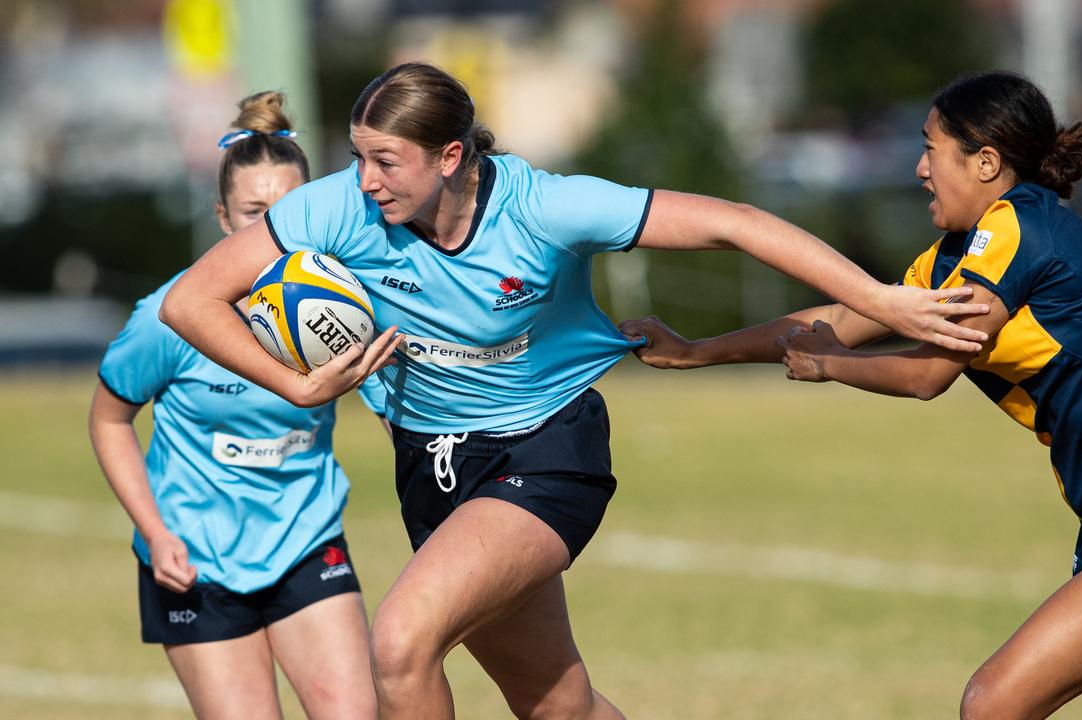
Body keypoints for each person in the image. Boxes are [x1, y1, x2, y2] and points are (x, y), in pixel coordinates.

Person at [157, 62, 989, 720]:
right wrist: (298, 385)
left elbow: (737, 220)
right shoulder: (338, 209)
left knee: (401, 644)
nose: (365, 180)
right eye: (357, 156)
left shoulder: (548, 208)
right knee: (555, 704)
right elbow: (190, 300)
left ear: (451, 158)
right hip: (432, 468)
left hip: (547, 450)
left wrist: (881, 300)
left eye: (385, 161)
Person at [621, 71, 1082, 719]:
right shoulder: (953, 261)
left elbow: (928, 374)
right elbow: (835, 320)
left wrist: (832, 366)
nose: (919, 168)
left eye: (930, 148)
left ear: (985, 162)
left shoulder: (1021, 225)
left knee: (993, 703)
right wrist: (697, 351)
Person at [89, 91, 382, 720]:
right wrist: (155, 532)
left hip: (306, 539)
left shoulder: (345, 307)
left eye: (292, 210)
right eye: (254, 212)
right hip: (196, 559)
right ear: (224, 218)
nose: (273, 231)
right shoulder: (170, 318)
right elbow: (110, 420)